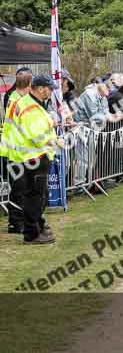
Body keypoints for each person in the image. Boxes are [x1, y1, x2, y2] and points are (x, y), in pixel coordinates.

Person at [1, 75, 62, 244]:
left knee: (37, 195)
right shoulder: (29, 106)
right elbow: (37, 136)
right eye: (50, 89)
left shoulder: (30, 103)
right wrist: (57, 141)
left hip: (30, 155)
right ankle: (32, 233)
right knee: (35, 196)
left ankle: (38, 226)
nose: (51, 92)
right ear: (41, 88)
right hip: (33, 156)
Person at [2, 68, 33, 233]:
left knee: (23, 187)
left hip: (21, 149)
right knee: (18, 188)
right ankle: (15, 223)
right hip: (17, 150)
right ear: (28, 83)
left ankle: (20, 220)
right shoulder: (16, 100)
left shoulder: (19, 98)